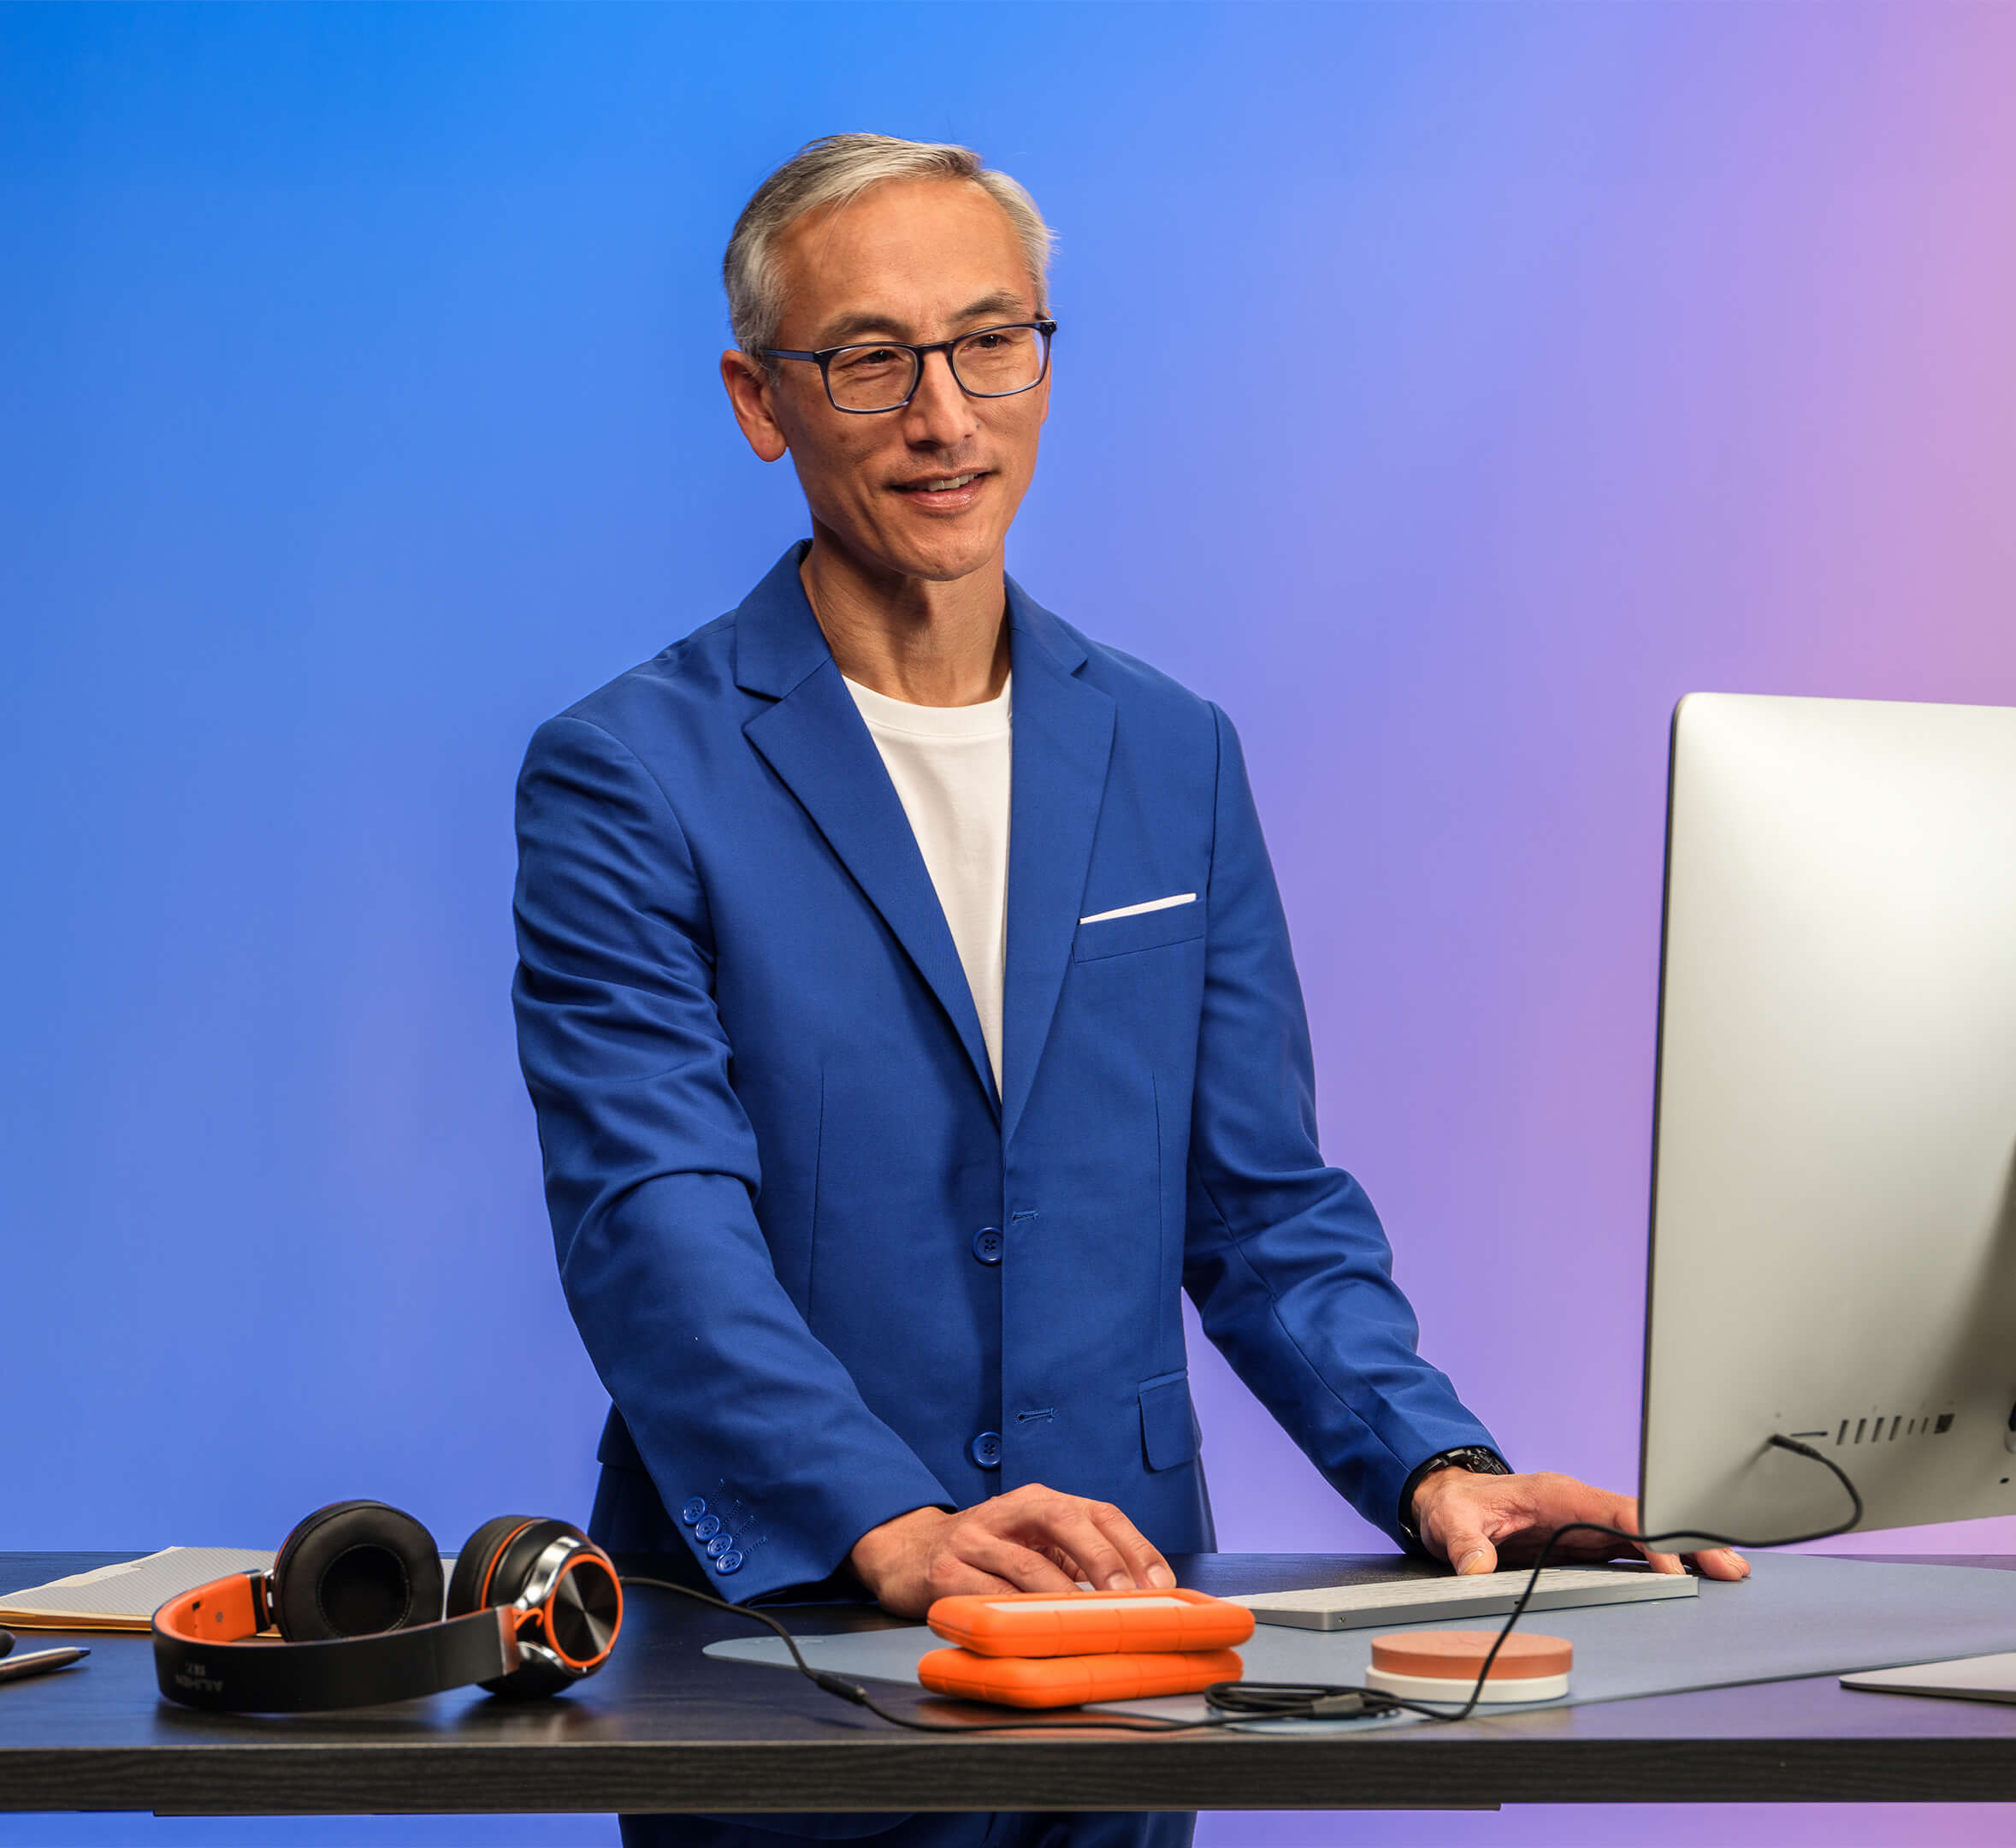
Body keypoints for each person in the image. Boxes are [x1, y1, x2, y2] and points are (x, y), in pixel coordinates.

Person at [511, 134, 1744, 1848]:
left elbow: (1262, 1203)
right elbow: (653, 1227)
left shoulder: (1172, 754)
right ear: (759, 399)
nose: (946, 417)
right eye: (871, 359)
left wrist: (1435, 1465)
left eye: (991, 342)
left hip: (1127, 1625)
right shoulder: (629, 775)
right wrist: (889, 1521)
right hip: (777, 1634)